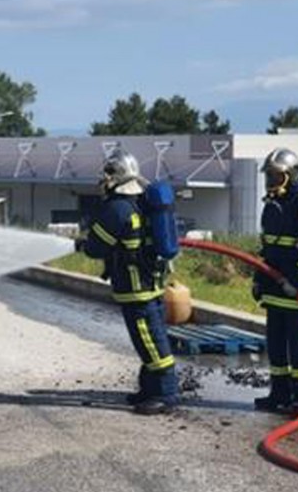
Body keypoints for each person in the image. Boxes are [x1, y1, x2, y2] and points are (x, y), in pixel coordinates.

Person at [81, 149, 179, 415]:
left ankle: (166, 394)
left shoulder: (117, 208)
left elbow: (96, 247)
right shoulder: (141, 201)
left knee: (149, 340)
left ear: (119, 175)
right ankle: (149, 390)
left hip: (136, 289)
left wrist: (84, 243)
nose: (105, 178)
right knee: (148, 339)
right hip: (150, 283)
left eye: (109, 173)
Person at [252, 148, 298, 414]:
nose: (270, 182)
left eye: (276, 176)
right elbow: (268, 248)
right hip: (275, 290)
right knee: (277, 347)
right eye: (269, 176)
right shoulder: (272, 206)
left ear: (291, 176)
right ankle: (280, 394)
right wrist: (259, 279)